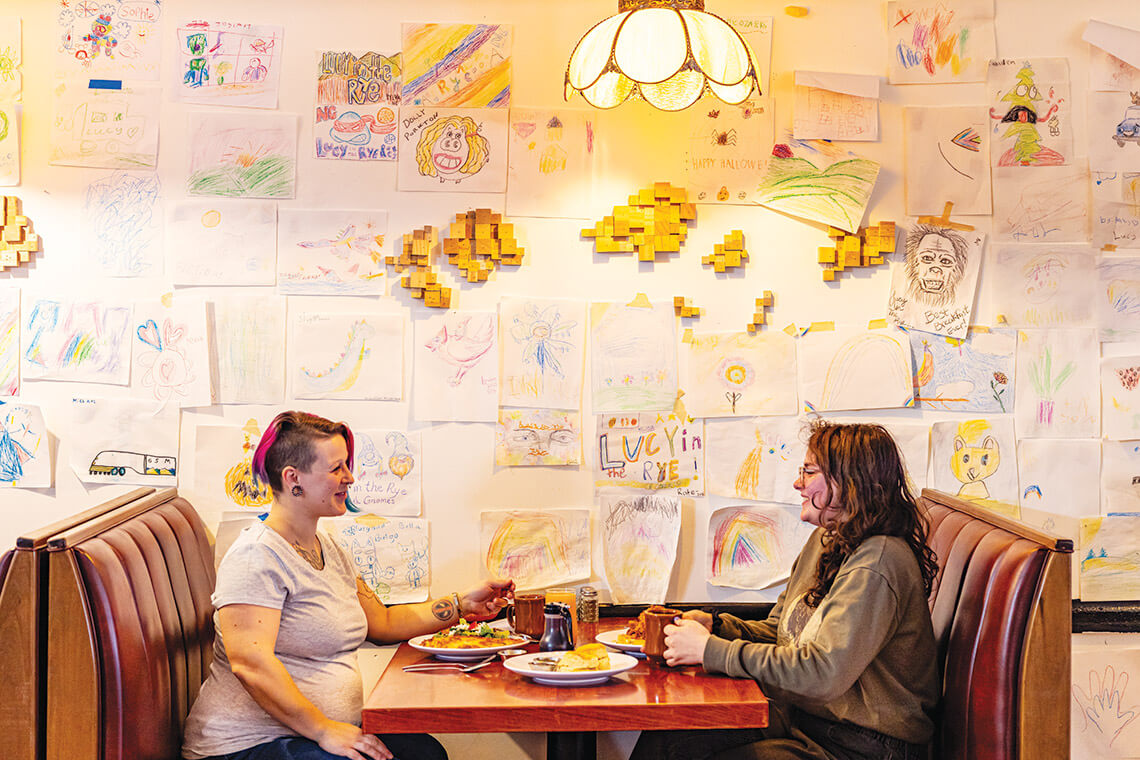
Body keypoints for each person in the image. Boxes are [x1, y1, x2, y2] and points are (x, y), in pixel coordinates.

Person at [182, 411, 514, 760]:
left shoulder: (330, 547)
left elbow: (383, 623)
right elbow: (250, 663)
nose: (350, 478)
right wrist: (324, 730)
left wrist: (463, 605)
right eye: (336, 468)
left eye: (347, 466)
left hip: (311, 735)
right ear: (293, 478)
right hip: (246, 746)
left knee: (427, 754)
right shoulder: (256, 555)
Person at [631, 420, 939, 760]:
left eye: (808, 472)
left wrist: (711, 652)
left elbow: (822, 673)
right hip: (809, 722)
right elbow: (782, 633)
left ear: (848, 482)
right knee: (670, 738)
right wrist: (716, 627)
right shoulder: (830, 540)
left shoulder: (877, 563)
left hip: (865, 746)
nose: (798, 483)